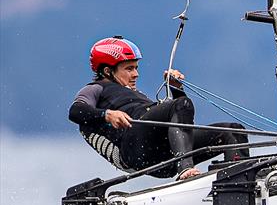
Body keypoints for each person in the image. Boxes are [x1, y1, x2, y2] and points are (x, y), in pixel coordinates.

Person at [69, 36, 249, 180]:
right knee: (178, 105)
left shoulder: (136, 94)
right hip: (136, 151)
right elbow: (75, 111)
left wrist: (175, 87)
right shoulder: (95, 89)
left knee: (232, 131)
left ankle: (241, 178)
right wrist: (107, 114)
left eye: (136, 68)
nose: (136, 74)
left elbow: (182, 119)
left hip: (166, 151)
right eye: (129, 69)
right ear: (108, 71)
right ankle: (185, 169)